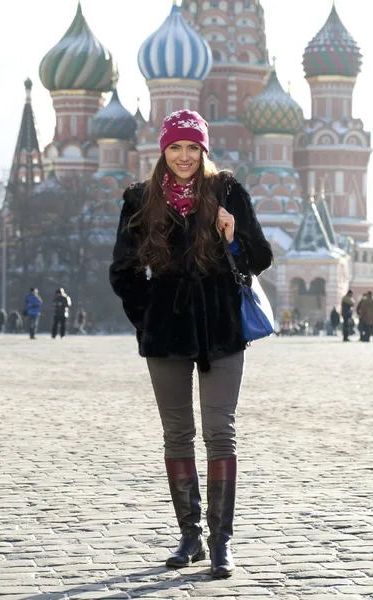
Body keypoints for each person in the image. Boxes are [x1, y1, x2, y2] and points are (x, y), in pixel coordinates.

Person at [110, 109, 273, 579]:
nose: (183, 156)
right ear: (163, 151)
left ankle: (222, 542)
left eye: (192, 148)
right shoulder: (140, 200)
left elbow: (261, 257)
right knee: (177, 434)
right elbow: (122, 270)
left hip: (223, 329)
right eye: (175, 147)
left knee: (221, 431)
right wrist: (149, 317)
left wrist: (233, 234)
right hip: (167, 333)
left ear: (204, 150)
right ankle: (190, 536)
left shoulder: (227, 191)